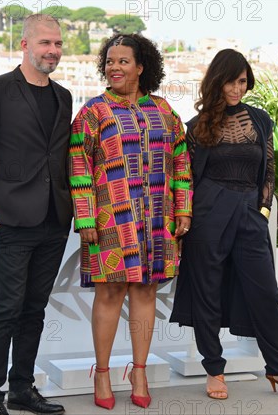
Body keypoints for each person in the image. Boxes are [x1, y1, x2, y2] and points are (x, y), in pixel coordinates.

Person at [170, 49, 278, 400]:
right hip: (208, 212)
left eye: (243, 81)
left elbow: (270, 170)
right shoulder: (195, 127)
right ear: (217, 81)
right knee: (207, 292)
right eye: (231, 81)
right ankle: (214, 369)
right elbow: (185, 177)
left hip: (249, 211)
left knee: (265, 293)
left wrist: (261, 212)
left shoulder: (261, 121)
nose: (237, 88)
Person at [68, 33, 192, 410]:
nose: (114, 67)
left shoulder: (165, 110)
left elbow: (182, 161)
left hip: (157, 219)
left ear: (141, 67)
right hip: (110, 219)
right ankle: (102, 373)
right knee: (109, 293)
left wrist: (183, 208)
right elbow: (78, 166)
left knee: (146, 292)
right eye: (109, 61)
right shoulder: (93, 112)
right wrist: (86, 215)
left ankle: (138, 370)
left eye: (123, 61)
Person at [0, 14, 72, 415]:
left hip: (54, 222)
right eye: (45, 43)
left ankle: (23, 388)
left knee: (34, 310)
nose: (53, 51)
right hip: (8, 220)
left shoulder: (64, 97)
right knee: (6, 308)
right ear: (24, 45)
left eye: (57, 44)